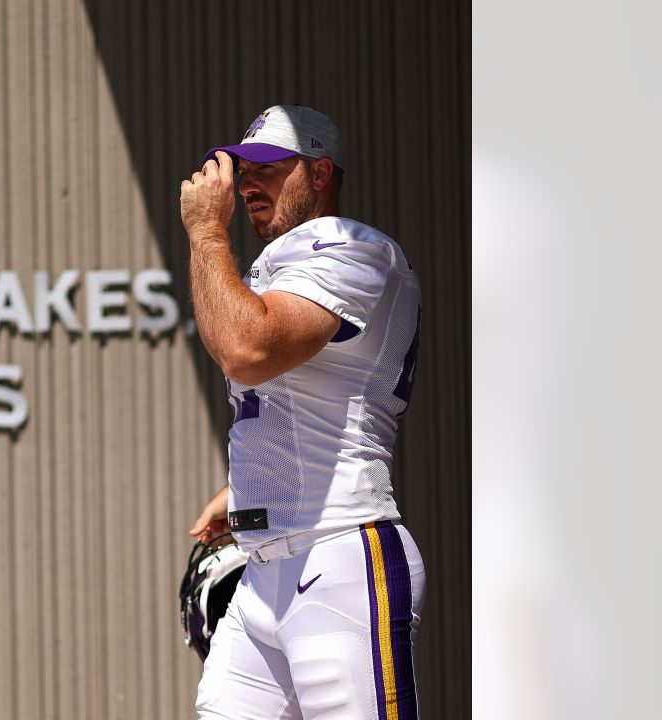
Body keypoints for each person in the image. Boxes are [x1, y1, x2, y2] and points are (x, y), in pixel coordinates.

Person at [178, 104, 425, 720]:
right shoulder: (277, 265)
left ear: (319, 173)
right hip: (265, 565)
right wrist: (243, 488)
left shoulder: (354, 249)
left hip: (340, 554)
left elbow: (247, 350)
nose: (246, 183)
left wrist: (208, 233)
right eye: (243, 169)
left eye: (269, 167)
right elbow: (295, 401)